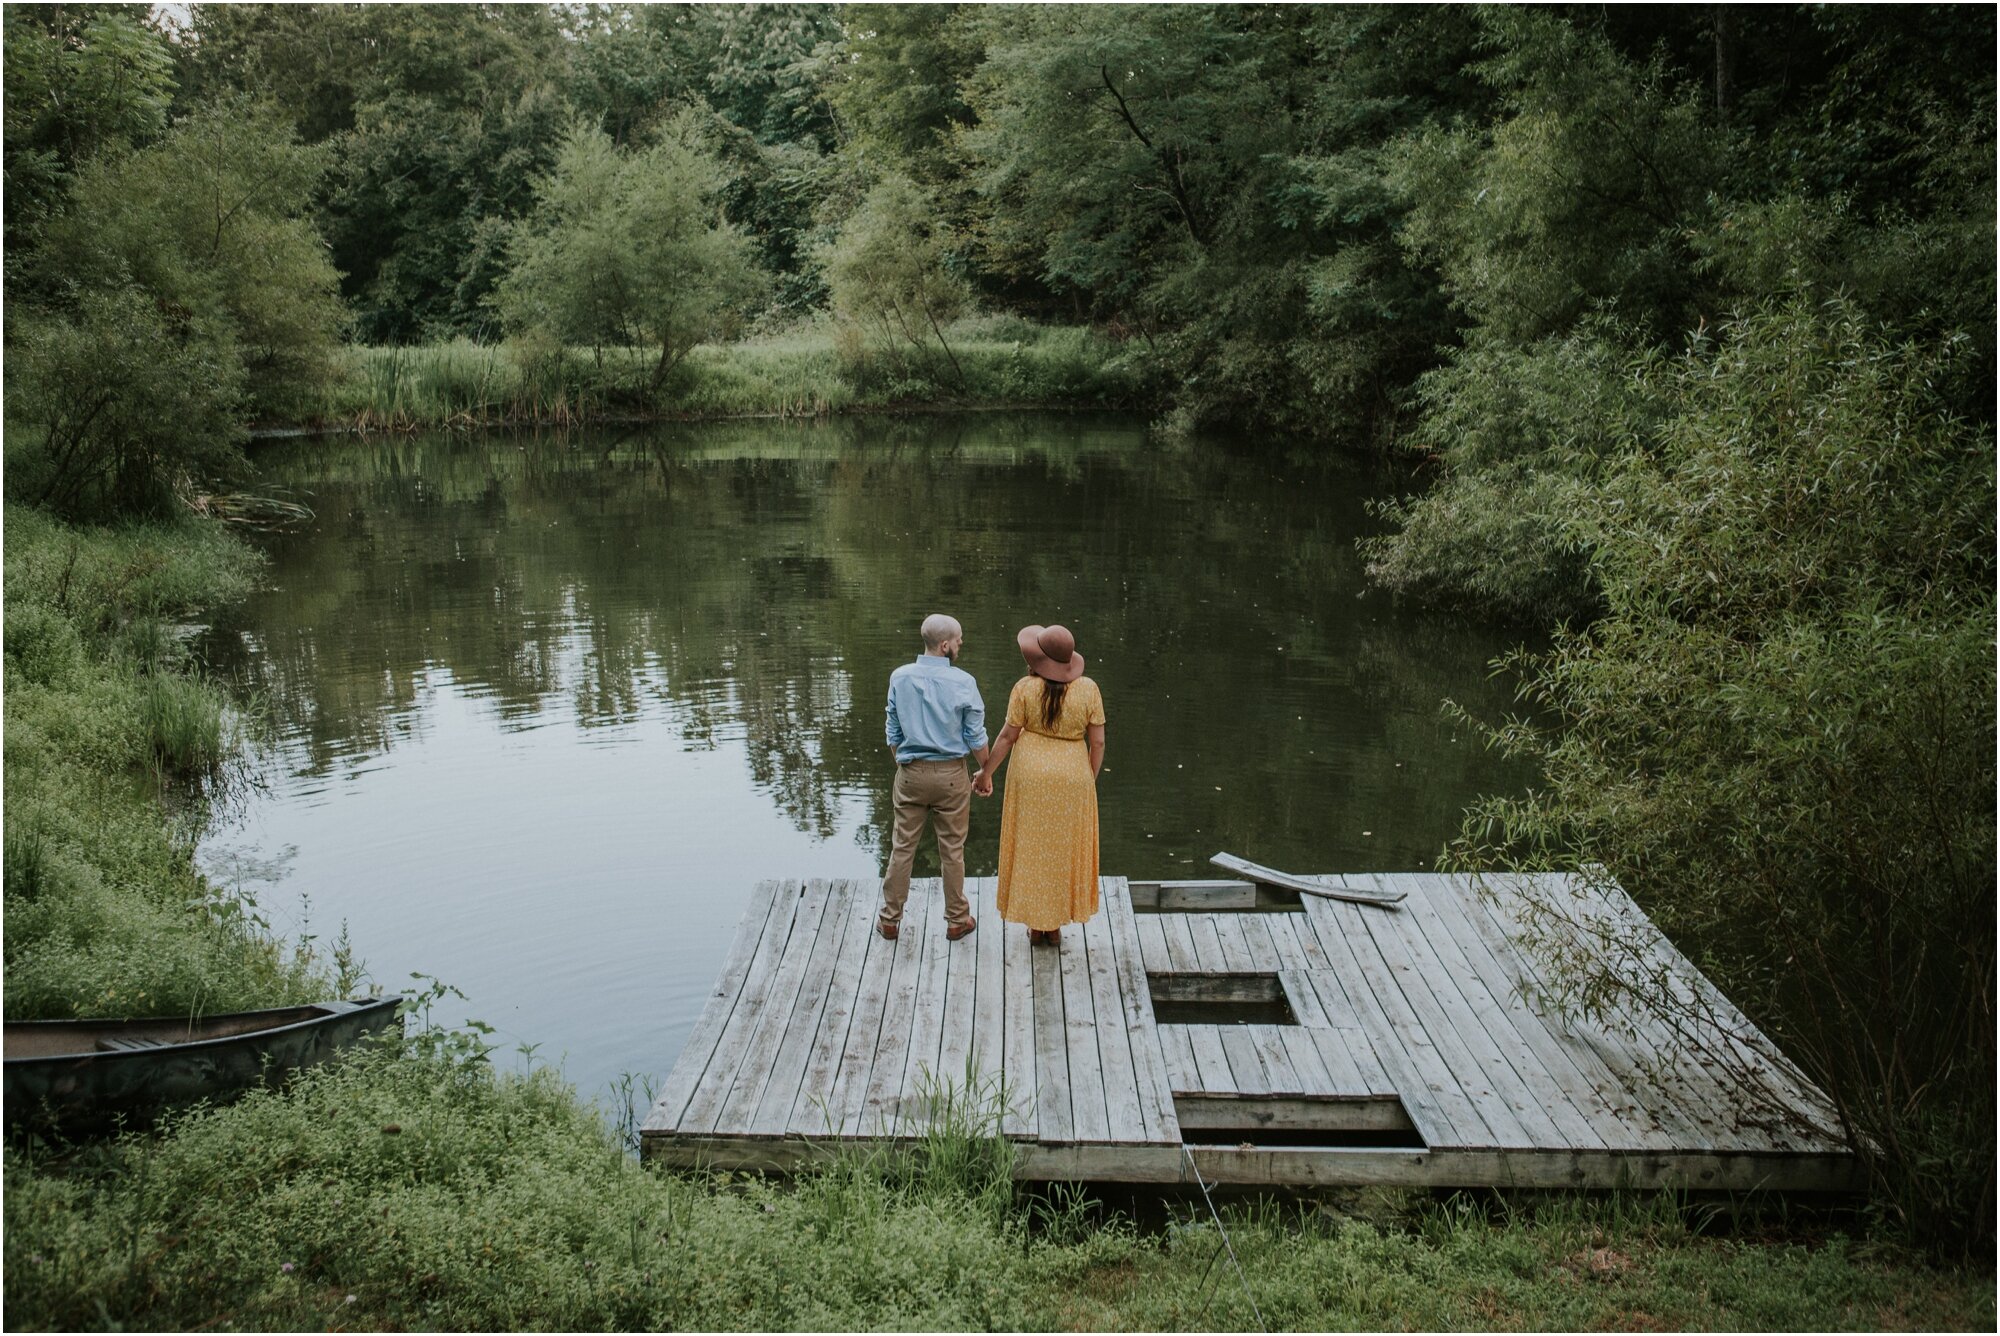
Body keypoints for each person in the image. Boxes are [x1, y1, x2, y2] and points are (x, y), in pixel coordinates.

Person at [982, 623, 1105, 947]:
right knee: (1063, 850)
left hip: (1030, 776)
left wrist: (985, 774)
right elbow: (1099, 743)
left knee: (1032, 848)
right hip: (1072, 776)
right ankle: (1055, 926)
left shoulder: (1024, 687)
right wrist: (1087, 780)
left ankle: (1037, 926)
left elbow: (1008, 736)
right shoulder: (1089, 688)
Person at [880, 613, 990, 942]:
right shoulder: (964, 682)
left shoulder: (899, 677)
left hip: (910, 772)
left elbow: (892, 731)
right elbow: (976, 737)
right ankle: (957, 920)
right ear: (944, 646)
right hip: (951, 776)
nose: (960, 646)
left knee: (902, 848)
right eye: (957, 641)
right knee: (952, 850)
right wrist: (985, 771)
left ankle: (889, 920)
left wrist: (904, 764)